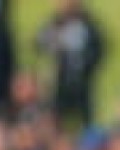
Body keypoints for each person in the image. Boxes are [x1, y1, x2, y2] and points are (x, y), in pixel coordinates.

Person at [34, 0, 107, 131]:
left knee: (86, 123)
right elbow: (38, 43)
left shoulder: (87, 24)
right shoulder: (54, 24)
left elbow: (99, 49)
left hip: (82, 84)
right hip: (59, 84)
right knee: (57, 122)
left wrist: (86, 65)